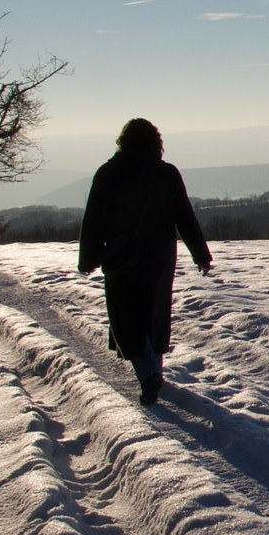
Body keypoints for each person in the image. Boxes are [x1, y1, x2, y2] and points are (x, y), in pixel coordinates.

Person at [78, 118, 212, 405]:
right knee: (155, 314)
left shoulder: (108, 172)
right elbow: (185, 217)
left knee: (127, 318)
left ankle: (148, 374)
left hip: (120, 255)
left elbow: (93, 220)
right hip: (160, 254)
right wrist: (200, 254)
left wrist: (88, 258)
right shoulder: (167, 173)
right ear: (156, 142)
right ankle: (155, 372)